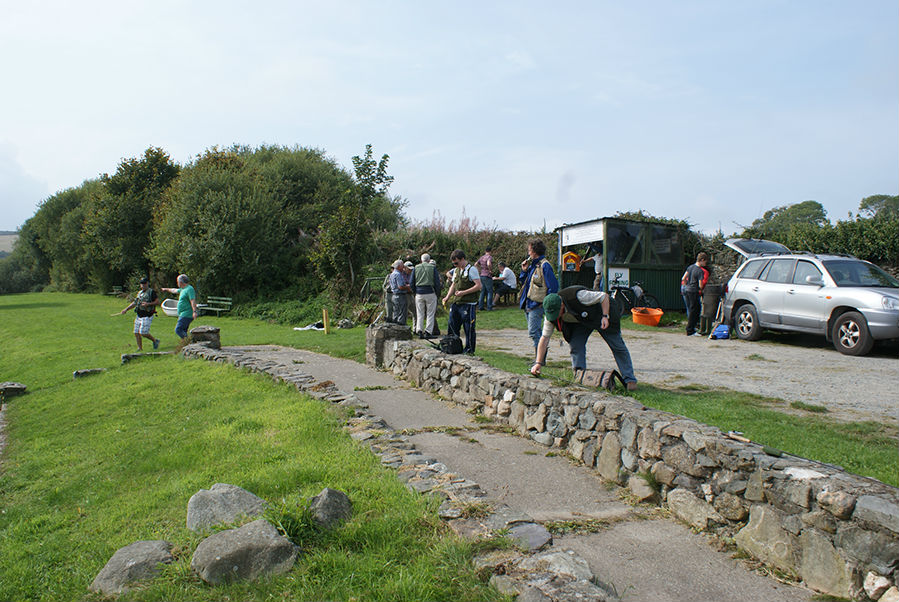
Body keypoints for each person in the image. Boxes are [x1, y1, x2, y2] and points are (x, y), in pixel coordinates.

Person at [530, 286, 637, 391]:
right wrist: (538, 363)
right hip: (582, 321)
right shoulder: (551, 314)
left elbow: (603, 297)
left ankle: (630, 380)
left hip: (602, 313)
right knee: (576, 345)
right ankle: (579, 377)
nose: (555, 317)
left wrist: (605, 316)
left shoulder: (578, 296)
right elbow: (544, 339)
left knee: (617, 347)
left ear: (562, 305)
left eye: (556, 313)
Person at [519, 238, 559, 354]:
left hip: (537, 304)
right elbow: (524, 282)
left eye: (529, 250)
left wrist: (545, 303)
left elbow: (553, 287)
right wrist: (524, 271)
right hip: (529, 303)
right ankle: (539, 357)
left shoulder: (545, 266)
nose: (528, 253)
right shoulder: (533, 265)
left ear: (535, 251)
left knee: (534, 332)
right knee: (535, 332)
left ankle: (540, 359)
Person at [442, 249, 481, 354]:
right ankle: (453, 347)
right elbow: (453, 285)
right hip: (457, 302)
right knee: (452, 325)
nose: (455, 265)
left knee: (468, 328)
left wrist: (464, 292)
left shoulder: (472, 270)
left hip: (468, 303)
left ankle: (469, 349)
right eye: (454, 264)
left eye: (456, 263)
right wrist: (447, 297)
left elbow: (478, 286)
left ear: (462, 259)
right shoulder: (456, 270)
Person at [119, 277, 161, 351]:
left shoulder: (151, 292)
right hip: (139, 315)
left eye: (144, 283)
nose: (143, 285)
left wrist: (148, 304)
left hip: (147, 315)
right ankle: (140, 348)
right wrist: (126, 309)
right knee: (136, 332)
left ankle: (155, 341)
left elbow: (157, 302)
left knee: (143, 333)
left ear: (147, 283)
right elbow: (135, 303)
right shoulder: (139, 293)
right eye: (142, 283)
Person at [412, 253, 442, 338]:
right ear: (429, 260)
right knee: (430, 313)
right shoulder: (432, 268)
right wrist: (437, 293)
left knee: (420, 313)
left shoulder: (416, 268)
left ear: (421, 260)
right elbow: (437, 282)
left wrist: (415, 291)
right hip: (430, 292)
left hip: (419, 293)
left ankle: (419, 331)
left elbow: (411, 281)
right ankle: (428, 332)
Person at [681, 252, 710, 336]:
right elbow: (701, 284)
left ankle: (691, 328)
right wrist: (701, 289)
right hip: (694, 291)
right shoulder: (700, 271)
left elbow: (683, 278)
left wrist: (686, 285)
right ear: (702, 260)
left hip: (687, 290)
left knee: (691, 309)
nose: (705, 264)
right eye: (705, 262)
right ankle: (690, 330)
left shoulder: (690, 267)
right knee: (695, 310)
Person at [161, 274, 199, 340]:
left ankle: (189, 341)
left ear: (181, 282)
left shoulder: (189, 289)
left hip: (187, 313)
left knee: (178, 329)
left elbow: (192, 300)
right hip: (182, 313)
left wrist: (194, 311)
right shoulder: (182, 289)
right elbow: (174, 290)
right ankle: (186, 343)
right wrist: (165, 289)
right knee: (183, 330)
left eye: (177, 282)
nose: (177, 283)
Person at [387, 260, 411, 324]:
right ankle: (401, 326)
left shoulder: (392, 274)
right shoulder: (398, 274)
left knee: (396, 312)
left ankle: (394, 325)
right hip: (400, 295)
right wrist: (408, 287)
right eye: (402, 265)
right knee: (402, 312)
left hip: (394, 295)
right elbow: (400, 286)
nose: (403, 267)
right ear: (399, 266)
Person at [476, 247, 494, 311]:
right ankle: (489, 307)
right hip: (487, 276)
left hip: (482, 275)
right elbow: (488, 263)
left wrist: (479, 271)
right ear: (490, 251)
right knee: (490, 291)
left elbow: (476, 264)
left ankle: (480, 307)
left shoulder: (482, 257)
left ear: (485, 251)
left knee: (482, 292)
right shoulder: (489, 257)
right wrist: (490, 270)